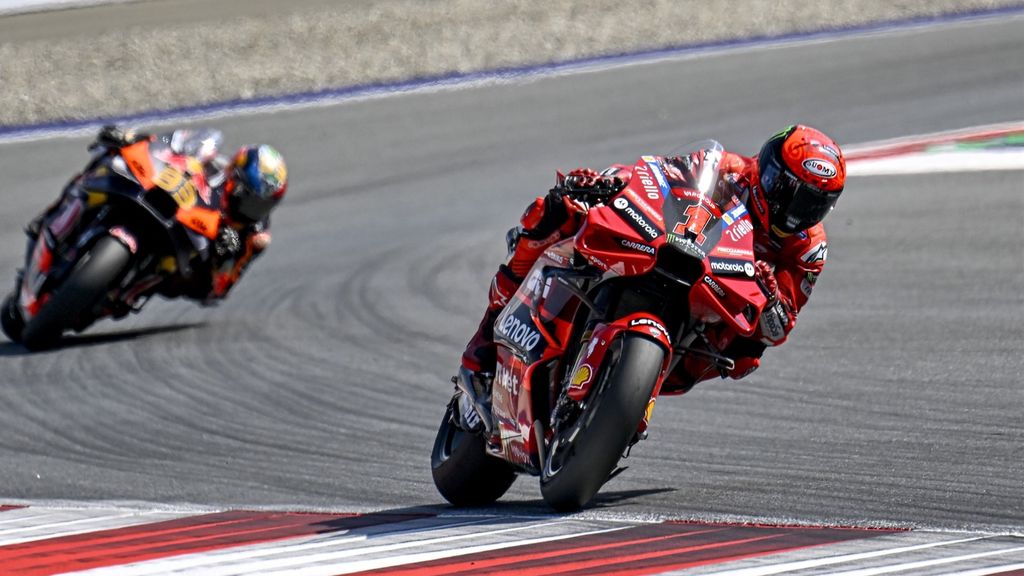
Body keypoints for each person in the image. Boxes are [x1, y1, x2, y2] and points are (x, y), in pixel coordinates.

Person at [457, 125, 845, 428]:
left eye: (811, 204)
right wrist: (608, 182)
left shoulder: (808, 249)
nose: (792, 211)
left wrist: (772, 296)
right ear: (769, 168)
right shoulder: (727, 169)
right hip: (668, 248)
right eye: (786, 191)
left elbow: (778, 328)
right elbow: (656, 175)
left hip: (714, 304)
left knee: (744, 356)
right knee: (559, 209)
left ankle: (631, 399)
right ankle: (484, 347)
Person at [23, 125, 288, 304]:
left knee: (172, 273)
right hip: (167, 209)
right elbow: (170, 146)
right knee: (107, 161)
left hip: (185, 263)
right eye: (248, 196)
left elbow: (219, 289)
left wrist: (225, 255)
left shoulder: (255, 234)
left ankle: (119, 296)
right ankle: (53, 217)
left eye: (261, 205)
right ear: (234, 176)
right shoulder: (212, 165)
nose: (252, 208)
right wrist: (134, 139)